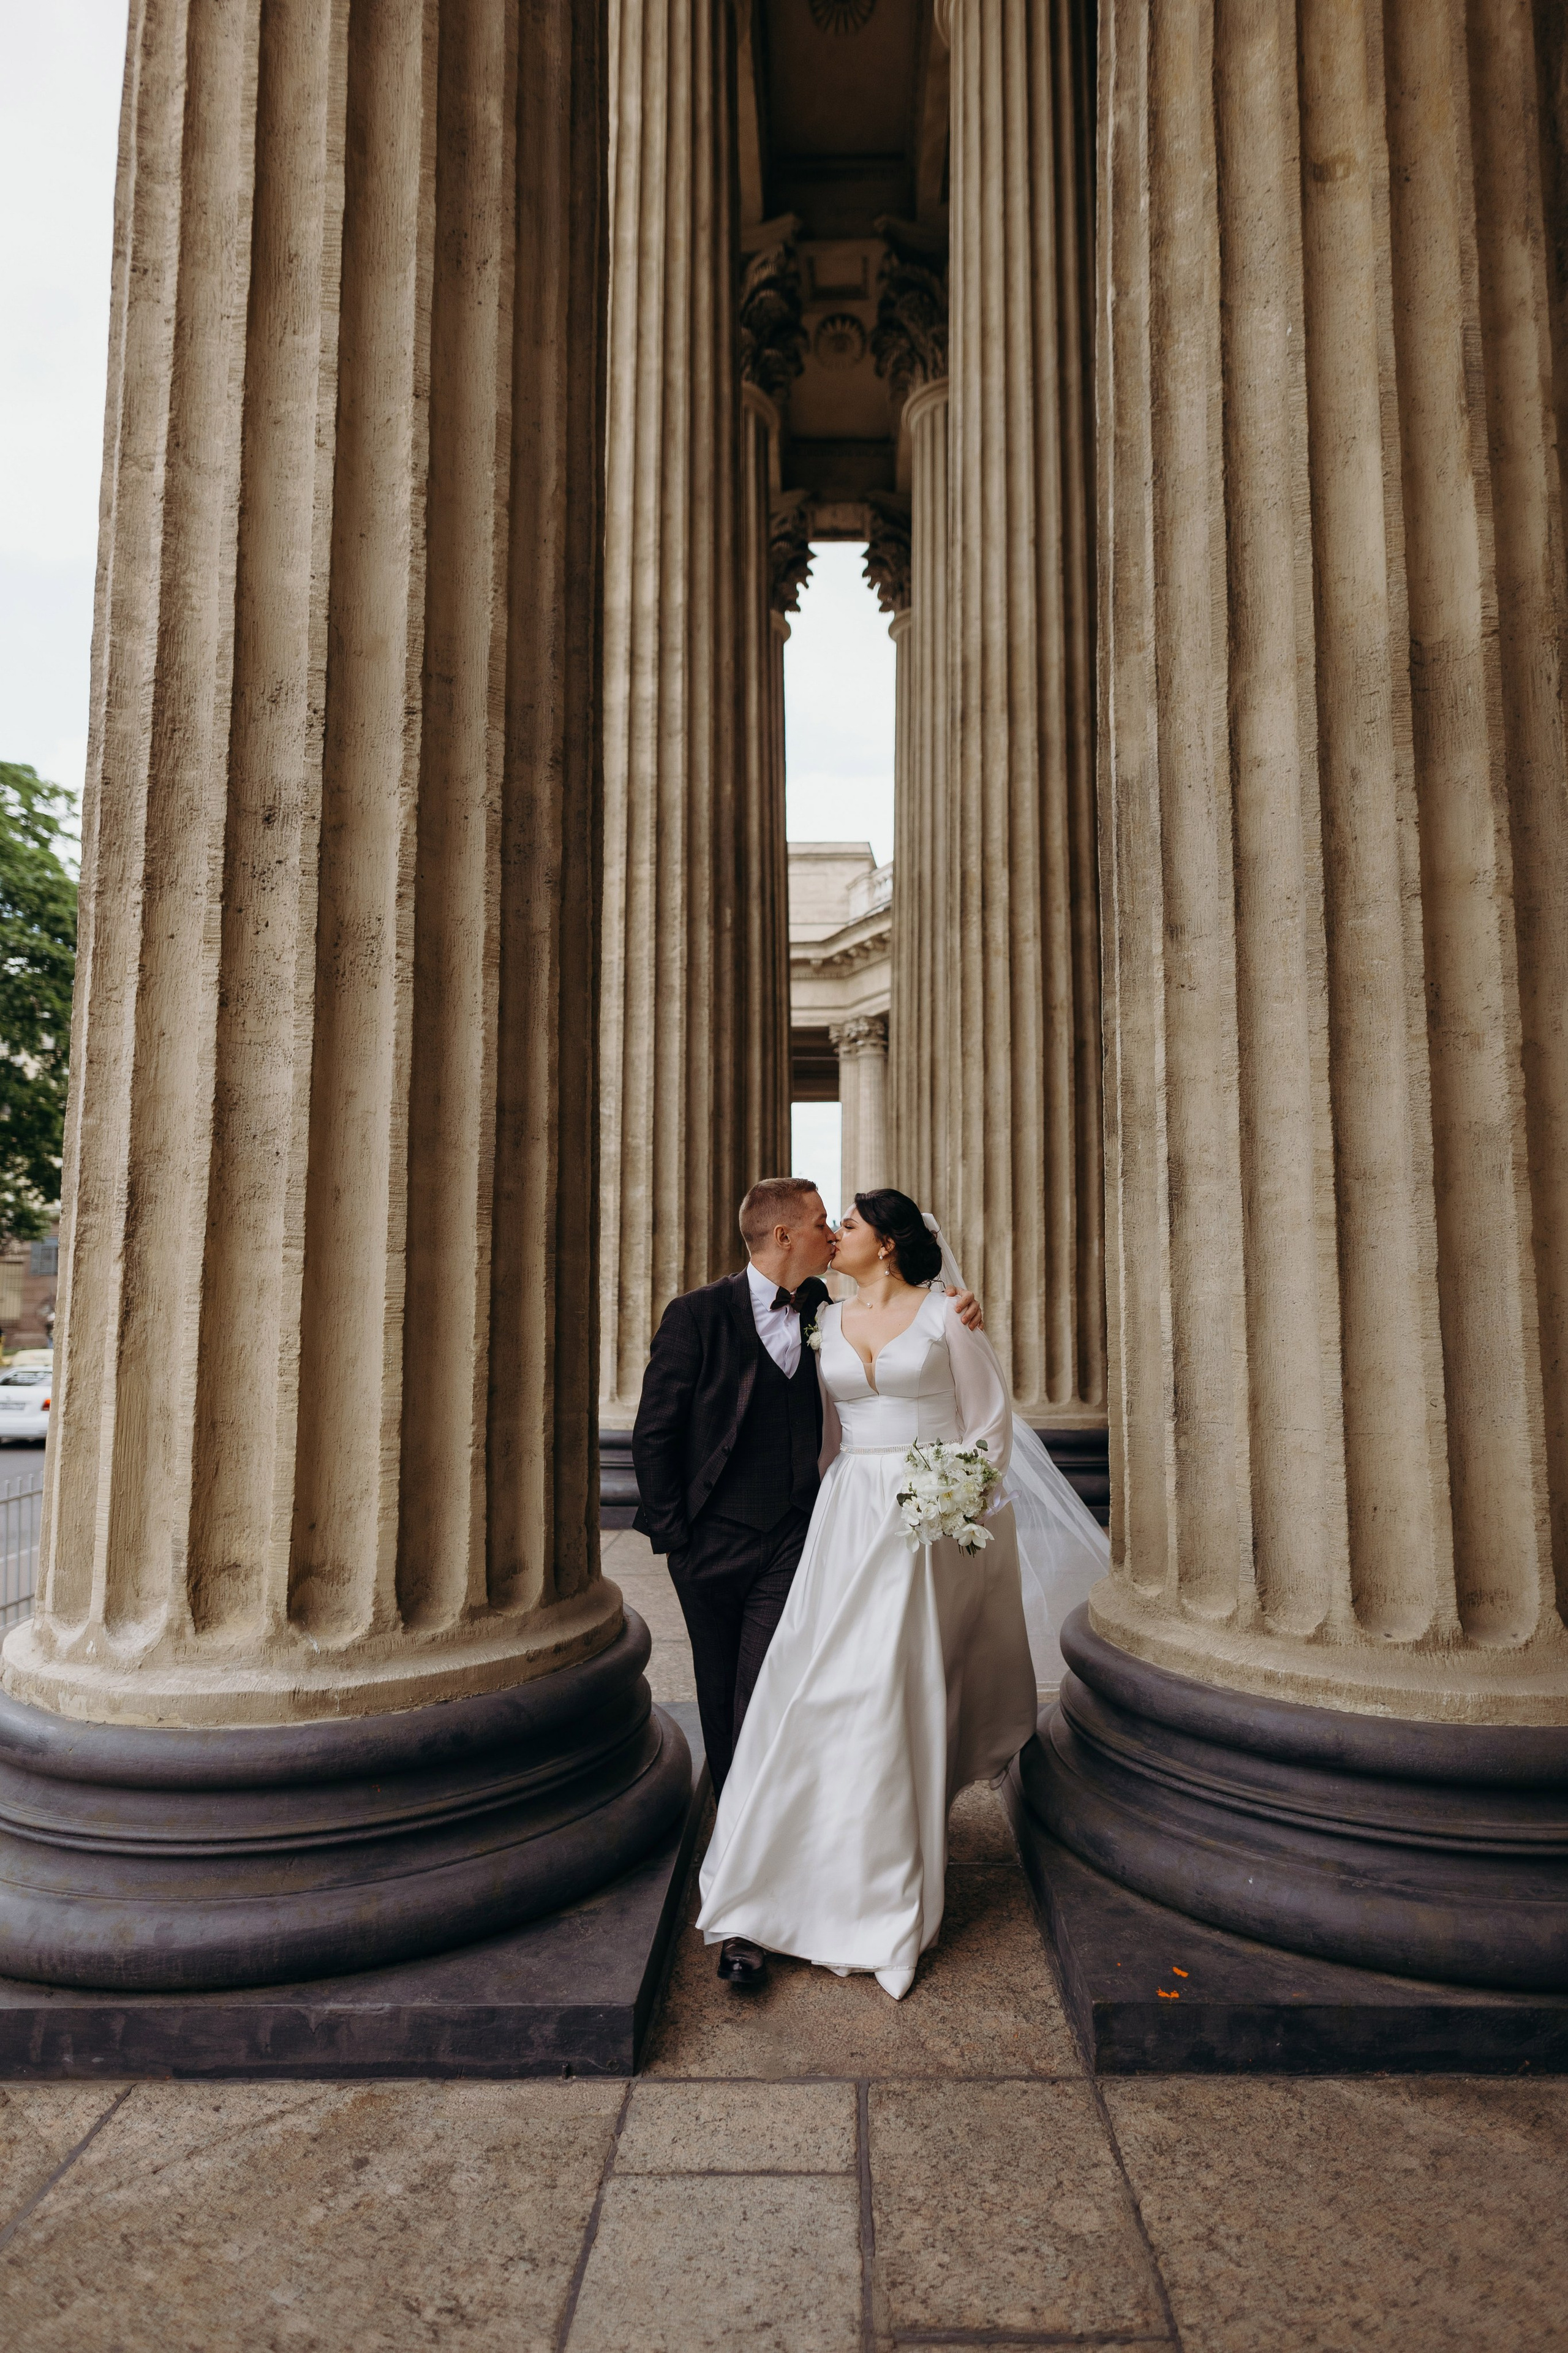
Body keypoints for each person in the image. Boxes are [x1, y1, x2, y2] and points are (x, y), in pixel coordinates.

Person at [695, 1185, 1109, 2000]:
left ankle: (878, 1903)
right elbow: (821, 1432)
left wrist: (955, 1500)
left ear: (885, 1242)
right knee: (809, 1694)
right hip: (847, 1518)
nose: (831, 1233)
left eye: (844, 1223)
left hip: (925, 1526)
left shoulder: (948, 1317)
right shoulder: (823, 1317)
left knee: (887, 1697)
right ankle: (763, 1891)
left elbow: (989, 1424)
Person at [632, 1176, 984, 1987]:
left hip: (800, 1540)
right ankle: (743, 1854)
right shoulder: (697, 1314)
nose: (832, 1234)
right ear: (784, 1235)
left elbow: (911, 1318)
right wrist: (676, 1537)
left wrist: (957, 1310)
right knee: (722, 1704)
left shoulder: (828, 1306)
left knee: (773, 1704)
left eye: (842, 1223)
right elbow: (658, 1429)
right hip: (710, 1547)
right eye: (824, 1223)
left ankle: (755, 1907)